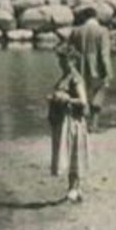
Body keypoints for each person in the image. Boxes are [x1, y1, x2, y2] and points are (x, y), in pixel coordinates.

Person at [47, 47, 91, 203]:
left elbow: (83, 101)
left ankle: (74, 188)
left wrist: (63, 99)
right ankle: (74, 188)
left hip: (73, 121)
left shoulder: (75, 78)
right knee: (68, 152)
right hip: (64, 120)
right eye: (60, 59)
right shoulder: (65, 76)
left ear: (72, 60)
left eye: (63, 59)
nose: (60, 62)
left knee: (74, 153)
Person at [77, 7, 113, 133]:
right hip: (97, 68)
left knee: (83, 96)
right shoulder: (102, 31)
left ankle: (82, 126)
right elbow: (104, 54)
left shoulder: (76, 31)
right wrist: (108, 72)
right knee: (98, 97)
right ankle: (94, 126)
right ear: (96, 16)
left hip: (79, 69)